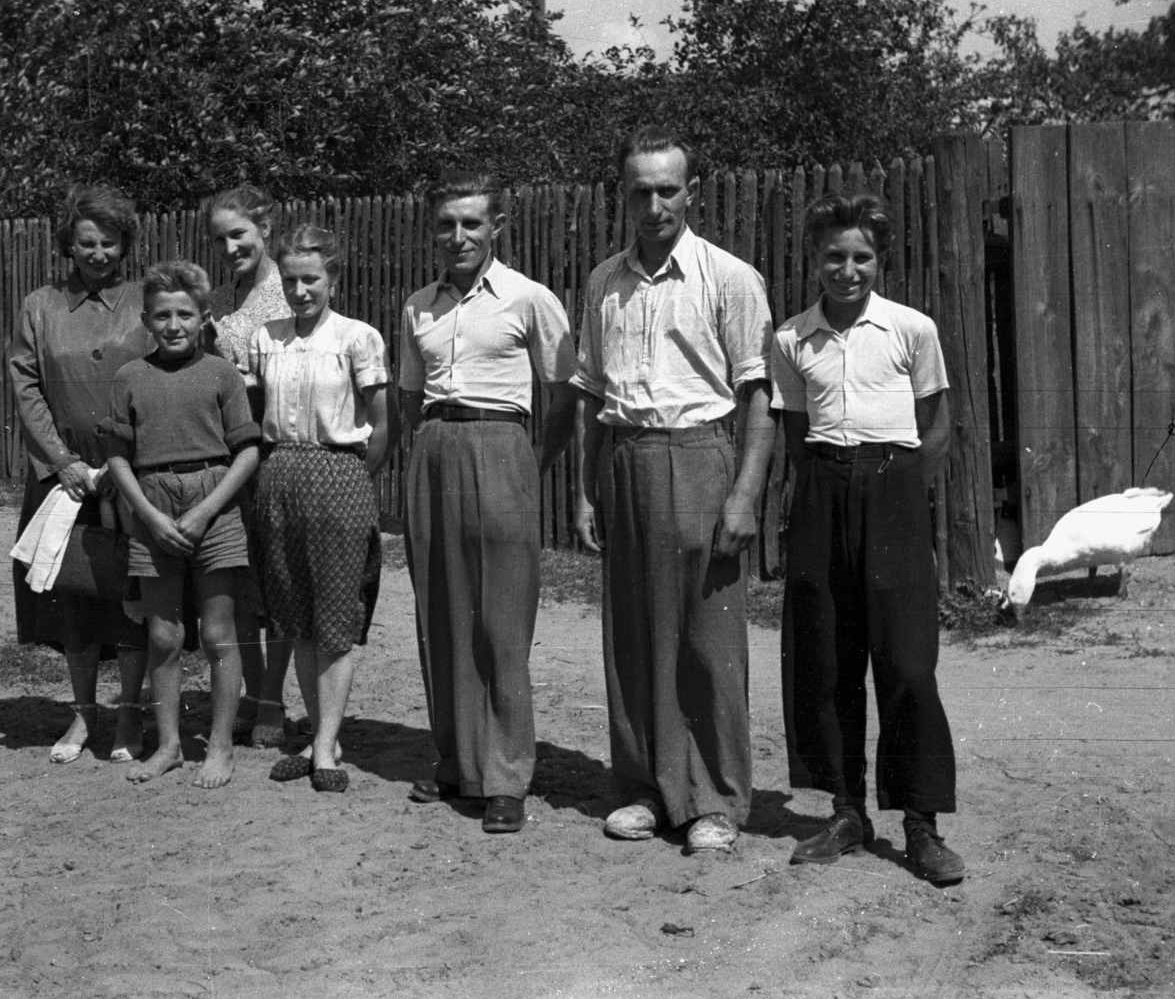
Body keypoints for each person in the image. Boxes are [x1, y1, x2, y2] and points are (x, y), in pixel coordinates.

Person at [572, 127, 775, 854]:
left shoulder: (729, 277)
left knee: (705, 635)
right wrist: (587, 489)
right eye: (640, 190)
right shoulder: (603, 281)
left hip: (700, 457)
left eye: (668, 189)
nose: (654, 204)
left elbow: (759, 395)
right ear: (621, 194)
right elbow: (591, 390)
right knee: (632, 633)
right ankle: (644, 788)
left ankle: (714, 797)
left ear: (691, 192)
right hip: (625, 459)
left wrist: (744, 493)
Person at [770, 193, 963, 884]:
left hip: (894, 491)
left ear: (880, 259)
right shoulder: (792, 338)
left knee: (908, 661)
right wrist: (834, 488)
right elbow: (796, 437)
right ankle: (847, 809)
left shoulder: (912, 329)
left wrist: (897, 492)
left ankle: (920, 822)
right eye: (833, 255)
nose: (847, 269)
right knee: (827, 655)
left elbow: (935, 429)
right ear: (813, 259)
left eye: (861, 256)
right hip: (824, 489)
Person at [398, 171, 577, 834]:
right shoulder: (420, 303)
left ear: (496, 226)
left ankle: (504, 775)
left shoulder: (529, 298)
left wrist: (531, 461)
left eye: (472, 222)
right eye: (446, 223)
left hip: (501, 443)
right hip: (435, 448)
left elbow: (563, 395)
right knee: (439, 612)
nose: (458, 235)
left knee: (501, 618)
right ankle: (458, 762)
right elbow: (409, 394)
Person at [103, 260, 263, 788]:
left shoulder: (221, 374)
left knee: (219, 632)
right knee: (164, 634)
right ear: (146, 320)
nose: (174, 326)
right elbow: (118, 459)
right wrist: (147, 515)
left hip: (213, 506)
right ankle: (169, 744)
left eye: (185, 315)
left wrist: (204, 509)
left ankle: (219, 746)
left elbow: (247, 452)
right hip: (152, 507)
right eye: (162, 315)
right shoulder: (129, 377)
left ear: (204, 318)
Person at [8, 184, 152, 766]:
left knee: (134, 599)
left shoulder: (148, 298)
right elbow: (26, 385)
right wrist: (61, 461)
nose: (97, 253)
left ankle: (129, 716)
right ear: (69, 243)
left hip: (133, 475)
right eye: (86, 242)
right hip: (65, 477)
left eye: (109, 243)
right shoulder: (40, 306)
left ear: (125, 245)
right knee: (74, 600)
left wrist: (134, 464)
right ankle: (83, 713)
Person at [246, 225, 392, 793]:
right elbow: (254, 416)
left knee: (335, 617)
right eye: (290, 279)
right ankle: (315, 736)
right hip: (279, 475)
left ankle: (327, 746)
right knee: (296, 615)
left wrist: (353, 477)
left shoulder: (358, 337)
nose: (301, 290)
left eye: (311, 279)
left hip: (338, 474)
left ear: (333, 278)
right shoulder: (267, 337)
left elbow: (380, 424)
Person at [206, 184, 294, 749]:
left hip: (273, 448)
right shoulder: (221, 297)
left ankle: (273, 699)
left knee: (278, 582)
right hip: (228, 454)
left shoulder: (287, 295)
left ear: (264, 229)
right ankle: (251, 688)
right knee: (240, 581)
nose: (232, 246)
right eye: (221, 238)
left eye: (239, 234)